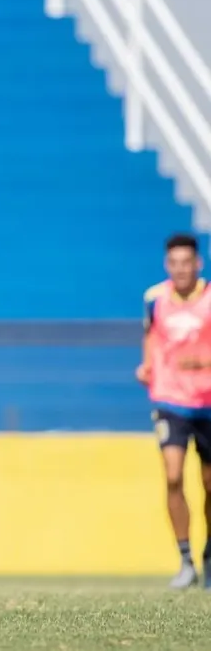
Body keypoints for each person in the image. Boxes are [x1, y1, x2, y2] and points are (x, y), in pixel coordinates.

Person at [137, 233, 211, 590]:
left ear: (198, 264)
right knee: (172, 475)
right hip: (169, 400)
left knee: (210, 484)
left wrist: (203, 360)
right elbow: (150, 335)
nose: (180, 269)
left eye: (187, 263)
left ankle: (209, 552)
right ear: (167, 265)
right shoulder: (155, 299)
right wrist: (147, 364)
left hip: (208, 401)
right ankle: (185, 560)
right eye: (174, 263)